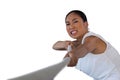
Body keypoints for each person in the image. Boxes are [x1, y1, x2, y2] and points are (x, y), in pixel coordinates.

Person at [52, 10, 120, 80]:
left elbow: (83, 50)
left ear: (85, 24)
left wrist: (73, 55)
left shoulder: (93, 40)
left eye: (75, 21)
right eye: (68, 24)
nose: (71, 26)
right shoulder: (75, 44)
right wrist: (65, 44)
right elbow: (55, 46)